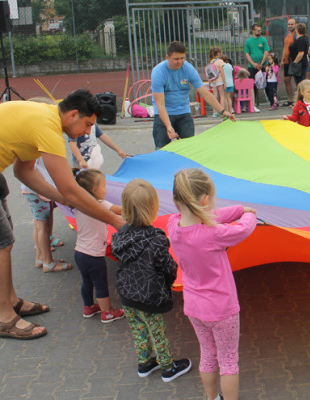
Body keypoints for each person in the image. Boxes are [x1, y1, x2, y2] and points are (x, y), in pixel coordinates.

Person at [0, 89, 126, 340]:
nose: (87, 132)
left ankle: (11, 301)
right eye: (88, 124)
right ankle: (5, 319)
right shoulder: (48, 127)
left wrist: (62, 199)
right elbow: (70, 188)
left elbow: (23, 171)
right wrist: (114, 220)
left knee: (4, 239)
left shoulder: (45, 118)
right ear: (73, 115)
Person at [166, 168, 258, 400]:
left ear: (176, 200)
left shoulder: (173, 225)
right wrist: (248, 214)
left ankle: (212, 398)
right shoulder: (213, 233)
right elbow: (243, 229)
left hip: (195, 307)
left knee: (207, 354)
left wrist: (237, 209)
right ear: (205, 199)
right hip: (221, 309)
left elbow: (211, 216)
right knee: (229, 361)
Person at [111, 179, 191, 383]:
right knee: (157, 332)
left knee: (138, 330)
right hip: (149, 295)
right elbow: (168, 267)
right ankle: (167, 368)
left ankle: (145, 363)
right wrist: (169, 281)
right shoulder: (156, 239)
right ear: (152, 207)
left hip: (127, 294)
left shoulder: (120, 235)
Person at [151, 41, 232, 149]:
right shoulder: (158, 72)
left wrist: (223, 111)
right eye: (176, 59)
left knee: (188, 149)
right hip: (164, 114)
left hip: (183, 112)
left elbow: (205, 93)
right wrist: (168, 126)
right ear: (167, 57)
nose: (180, 62)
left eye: (182, 58)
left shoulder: (188, 69)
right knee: (162, 150)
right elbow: (160, 104)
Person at [73, 169, 126, 324]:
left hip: (80, 252)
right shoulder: (99, 204)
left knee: (87, 281)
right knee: (101, 284)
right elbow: (118, 210)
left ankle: (89, 307)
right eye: (104, 186)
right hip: (94, 255)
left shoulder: (80, 204)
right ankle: (107, 313)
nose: (106, 189)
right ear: (94, 189)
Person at [20, 158, 71, 273]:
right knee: (43, 227)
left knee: (39, 224)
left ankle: (40, 258)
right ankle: (48, 263)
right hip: (38, 191)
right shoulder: (34, 151)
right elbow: (30, 170)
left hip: (36, 190)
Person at [244, 24, 270, 108]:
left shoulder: (263, 40)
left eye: (260, 30)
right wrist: (253, 64)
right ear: (253, 31)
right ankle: (253, 103)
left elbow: (266, 51)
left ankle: (272, 101)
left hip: (263, 65)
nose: (260, 32)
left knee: (266, 82)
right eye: (258, 30)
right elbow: (247, 54)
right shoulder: (248, 41)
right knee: (252, 84)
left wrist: (261, 63)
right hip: (252, 66)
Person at [206, 47, 228, 116]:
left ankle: (214, 112)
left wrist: (209, 82)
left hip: (213, 80)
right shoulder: (220, 61)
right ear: (218, 53)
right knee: (222, 96)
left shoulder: (211, 61)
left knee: (215, 96)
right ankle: (222, 112)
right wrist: (225, 83)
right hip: (219, 80)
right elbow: (222, 73)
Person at [281, 18, 297, 107]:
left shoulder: (297, 35)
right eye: (289, 24)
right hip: (286, 61)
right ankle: (289, 99)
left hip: (293, 61)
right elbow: (285, 47)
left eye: (292, 24)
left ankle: (297, 100)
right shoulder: (286, 34)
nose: (290, 26)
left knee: (297, 80)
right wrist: (282, 59)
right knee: (286, 80)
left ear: (295, 24)